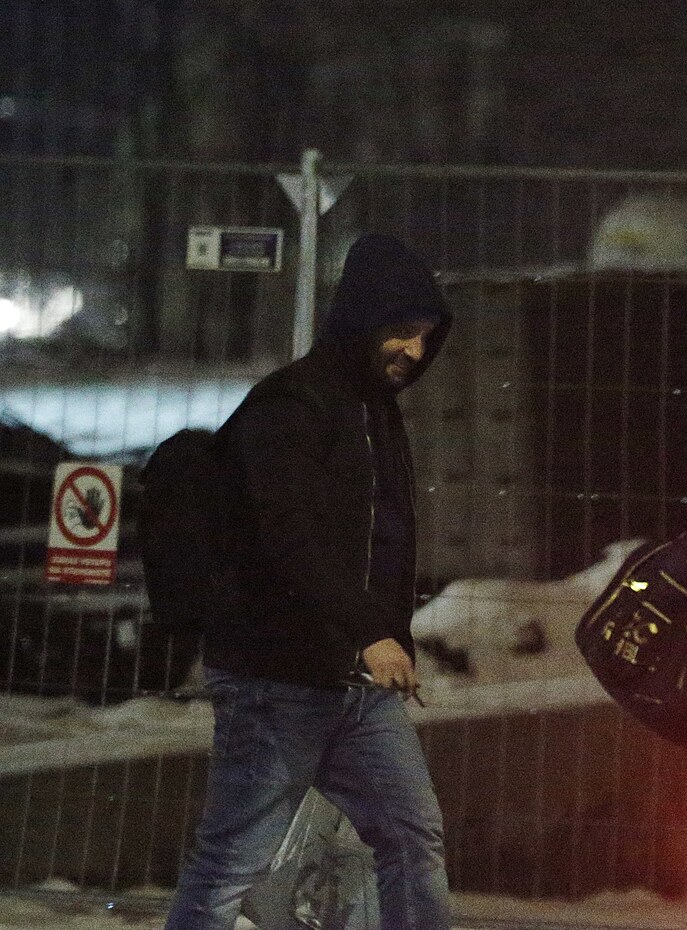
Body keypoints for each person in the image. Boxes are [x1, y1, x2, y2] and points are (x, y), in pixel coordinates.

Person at [164, 233, 453, 930]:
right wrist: (371, 633)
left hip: (353, 682)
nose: (414, 351)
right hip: (276, 678)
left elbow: (380, 543)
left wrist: (386, 636)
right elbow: (289, 539)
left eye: (426, 337)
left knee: (412, 836)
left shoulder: (375, 412)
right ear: (365, 319)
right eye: (403, 331)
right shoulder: (292, 405)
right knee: (233, 860)